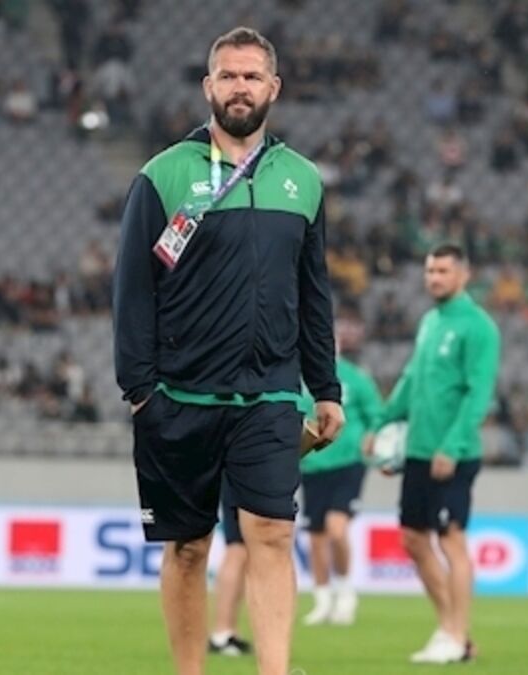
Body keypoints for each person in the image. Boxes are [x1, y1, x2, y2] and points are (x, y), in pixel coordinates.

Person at [113, 26, 344, 675]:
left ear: (274, 87)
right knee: (188, 547)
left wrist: (326, 388)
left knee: (271, 533)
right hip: (178, 395)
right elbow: (132, 289)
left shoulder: (302, 179)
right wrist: (140, 390)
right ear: (207, 86)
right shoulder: (163, 175)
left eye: (251, 76)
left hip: (270, 394)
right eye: (228, 75)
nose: (239, 87)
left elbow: (314, 292)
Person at [375, 244, 500, 664]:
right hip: (418, 449)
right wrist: (382, 423)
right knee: (413, 539)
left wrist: (452, 445)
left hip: (453, 453)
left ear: (463, 275)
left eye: (443, 271)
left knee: (451, 540)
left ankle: (456, 635)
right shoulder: (430, 321)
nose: (434, 278)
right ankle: (451, 631)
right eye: (430, 271)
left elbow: (478, 393)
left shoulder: (479, 327)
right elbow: (412, 379)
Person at [301, 305, 382, 627]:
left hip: (347, 462)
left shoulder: (355, 378)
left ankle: (346, 591)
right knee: (316, 536)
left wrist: (372, 435)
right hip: (312, 464)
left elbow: (376, 414)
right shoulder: (299, 381)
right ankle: (322, 599)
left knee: (337, 528)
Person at [207, 480, 252, 657]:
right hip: (241, 476)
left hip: (239, 476)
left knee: (242, 551)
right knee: (237, 549)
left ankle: (228, 630)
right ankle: (222, 631)